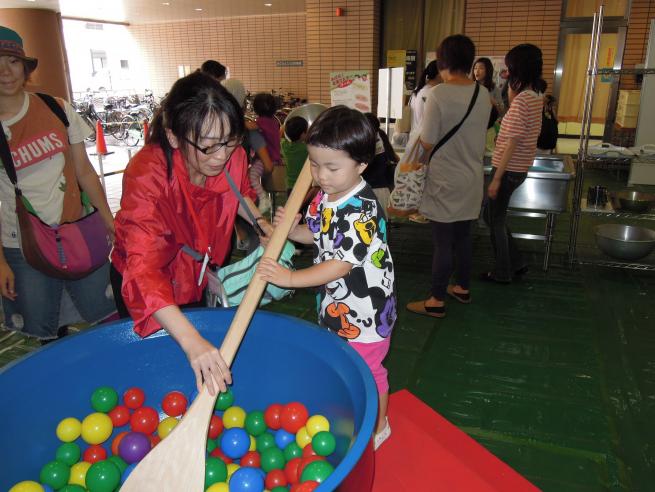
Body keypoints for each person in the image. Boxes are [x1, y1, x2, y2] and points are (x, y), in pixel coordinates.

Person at [111, 71, 271, 395]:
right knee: (163, 360)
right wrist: (191, 341)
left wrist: (263, 225)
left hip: (195, 273)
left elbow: (237, 193)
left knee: (193, 360)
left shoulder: (231, 154)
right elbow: (143, 268)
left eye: (230, 141)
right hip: (147, 282)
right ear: (173, 137)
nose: (222, 156)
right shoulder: (148, 174)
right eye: (208, 146)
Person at [256, 106, 396, 450]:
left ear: (361, 164)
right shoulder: (325, 196)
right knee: (342, 361)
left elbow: (340, 264)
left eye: (332, 167)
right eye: (315, 165)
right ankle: (348, 407)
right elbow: (317, 236)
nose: (322, 175)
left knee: (369, 370)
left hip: (366, 311)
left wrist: (289, 277)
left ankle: (380, 425)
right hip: (337, 303)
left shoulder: (362, 208)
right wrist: (287, 232)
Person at [0, 26, 116, 343]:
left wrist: (108, 217)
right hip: (24, 244)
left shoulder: (56, 109)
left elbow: (85, 172)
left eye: (11, 61)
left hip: (76, 230)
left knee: (106, 311)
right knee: (48, 329)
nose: (5, 71)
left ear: (24, 67)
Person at [406, 34, 491, 318]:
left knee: (443, 241)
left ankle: (436, 300)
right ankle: (462, 288)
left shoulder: (439, 93)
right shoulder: (483, 93)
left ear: (443, 61)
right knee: (463, 237)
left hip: (445, 178)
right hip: (472, 177)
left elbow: (428, 140)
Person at [481, 44, 546, 283]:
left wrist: (496, 179)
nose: (506, 71)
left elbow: (512, 142)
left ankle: (503, 271)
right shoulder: (536, 95)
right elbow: (516, 133)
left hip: (507, 170)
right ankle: (516, 263)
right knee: (493, 217)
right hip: (518, 168)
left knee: (494, 219)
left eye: (509, 67)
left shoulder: (523, 100)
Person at [407, 60, 439, 224]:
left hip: (416, 139)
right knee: (423, 177)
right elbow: (430, 122)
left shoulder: (419, 91)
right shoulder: (431, 93)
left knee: (418, 176)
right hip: (425, 141)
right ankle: (418, 211)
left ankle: (416, 209)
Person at [250, 93, 281, 213]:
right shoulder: (273, 121)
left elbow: (252, 126)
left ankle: (263, 198)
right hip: (273, 157)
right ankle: (264, 195)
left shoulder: (262, 122)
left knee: (252, 176)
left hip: (266, 158)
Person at [363, 112, 399, 213]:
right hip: (384, 188)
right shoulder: (380, 134)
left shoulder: (365, 140)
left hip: (369, 189)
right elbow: (393, 156)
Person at [280, 115, 308, 194]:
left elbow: (281, 132)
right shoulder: (305, 149)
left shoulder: (284, 145)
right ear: (303, 134)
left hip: (290, 187)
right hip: (303, 187)